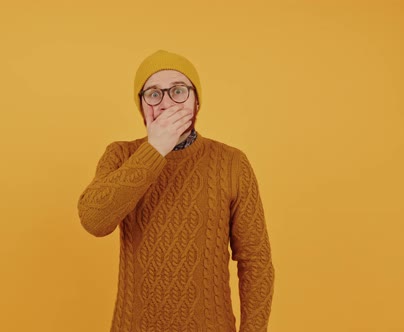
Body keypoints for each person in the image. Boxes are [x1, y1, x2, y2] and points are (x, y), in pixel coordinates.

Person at [77, 50, 274, 331]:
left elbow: (256, 261)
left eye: (178, 91)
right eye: (154, 94)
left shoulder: (231, 163)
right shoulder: (121, 155)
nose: (167, 102)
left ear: (196, 101)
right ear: (142, 105)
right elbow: (94, 221)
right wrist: (155, 150)